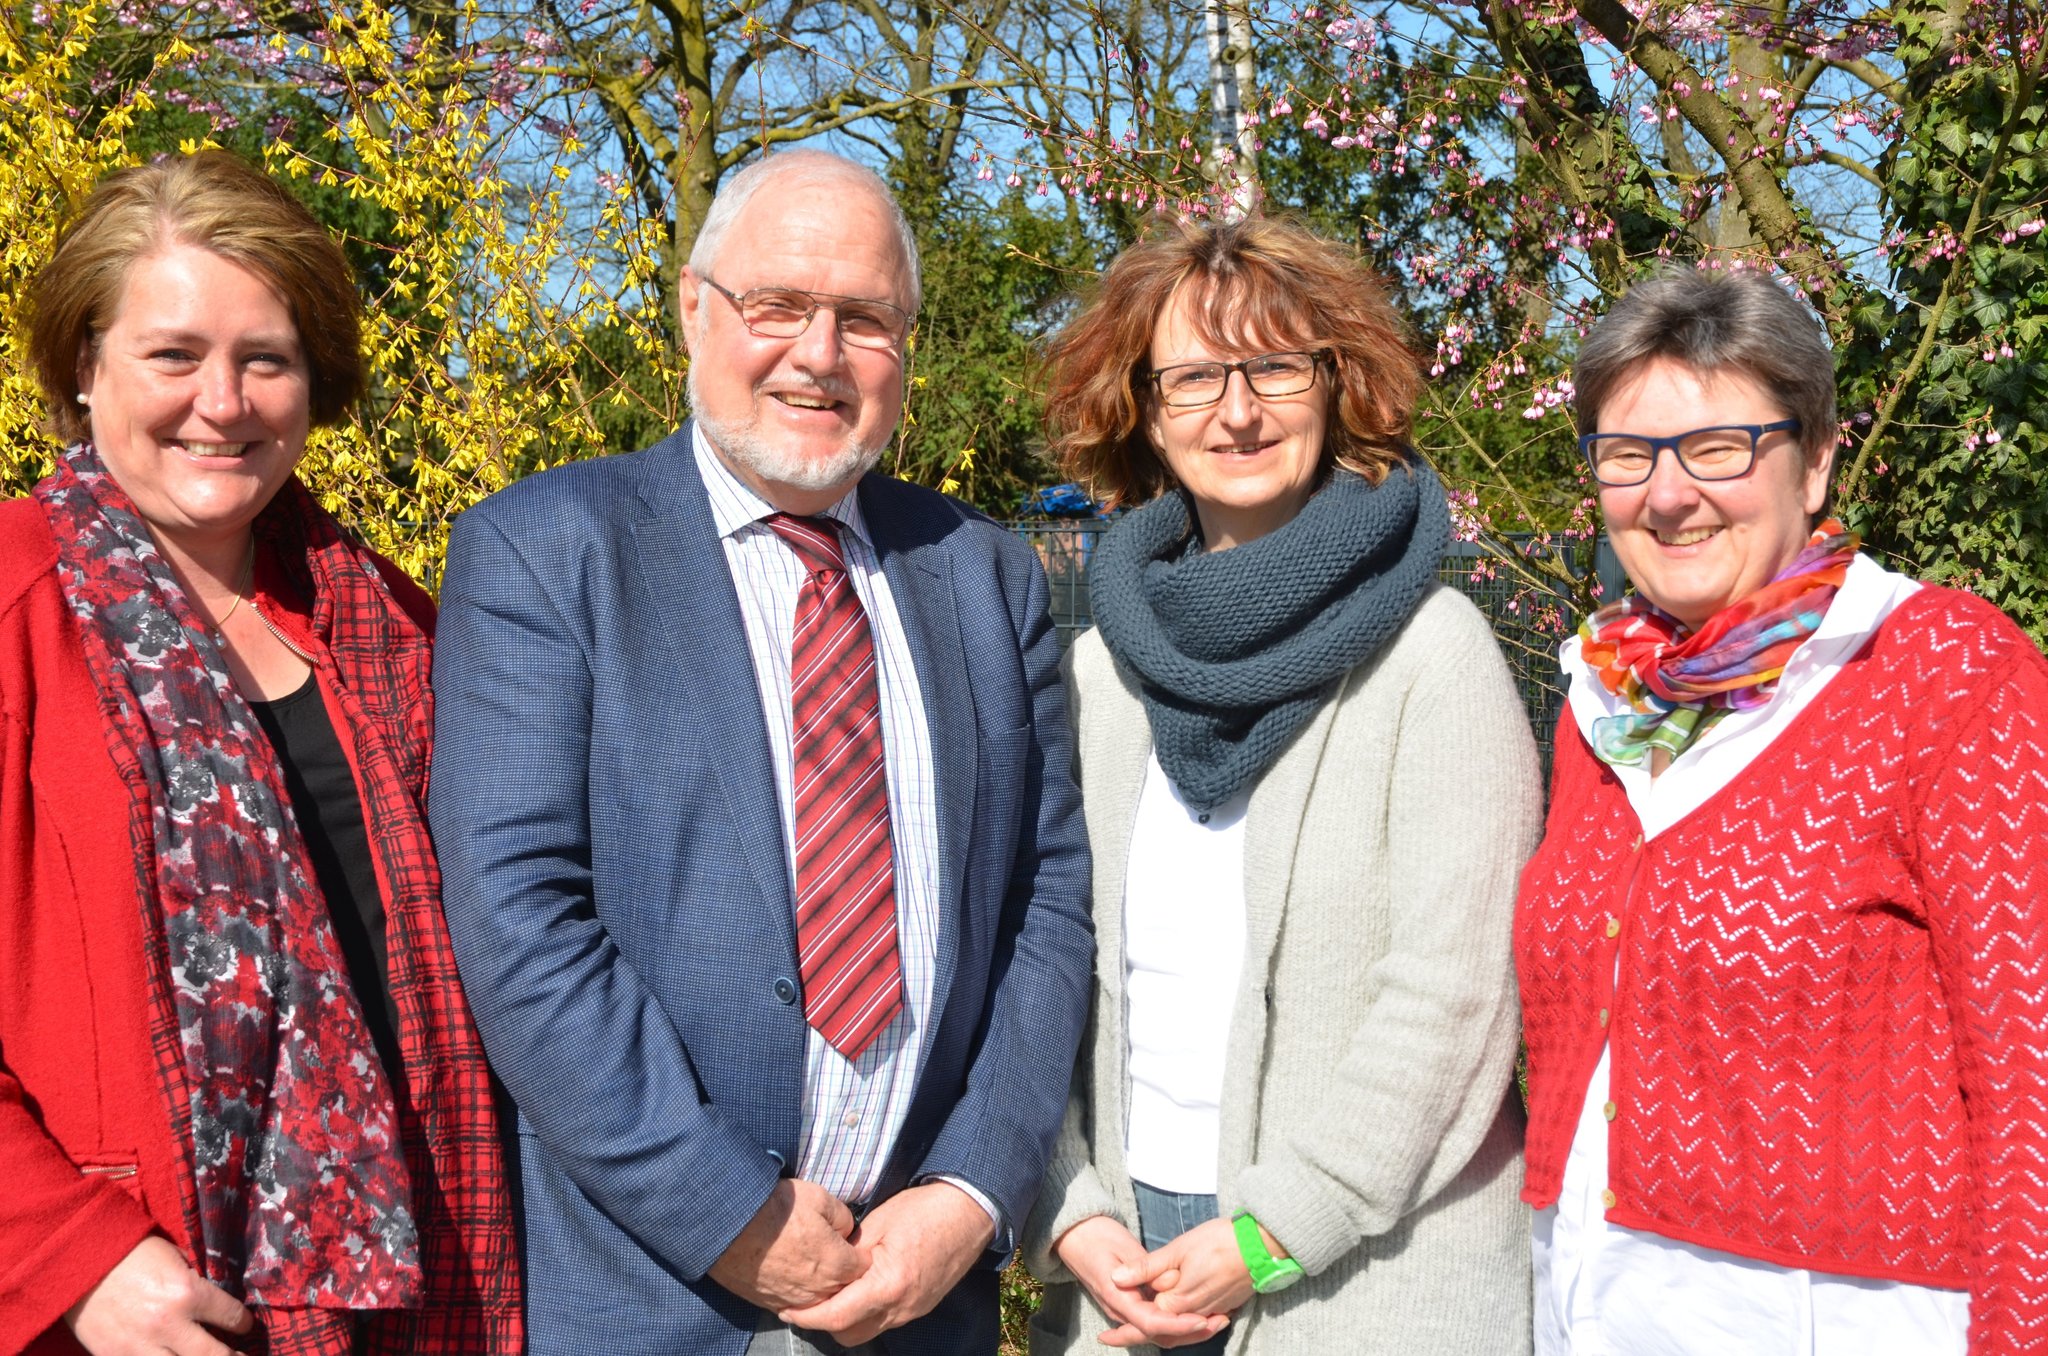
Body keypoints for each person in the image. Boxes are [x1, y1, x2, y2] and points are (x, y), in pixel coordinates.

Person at [427, 149, 1094, 1356]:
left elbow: (1043, 906)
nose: (819, 355)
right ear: (694, 310)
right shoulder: (547, 554)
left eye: (864, 319)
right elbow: (518, 920)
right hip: (648, 1300)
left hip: (915, 1305)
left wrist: (971, 1194)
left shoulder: (983, 575)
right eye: (777, 306)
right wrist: (726, 1212)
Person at [0, 151, 520, 1355]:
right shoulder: (20, 610)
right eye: (173, 355)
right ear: (86, 367)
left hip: (440, 1282)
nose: (222, 403)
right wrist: (66, 1257)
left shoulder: (389, 619)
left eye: (265, 359)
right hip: (142, 1304)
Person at [1021, 214, 1540, 1354]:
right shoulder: (1097, 671)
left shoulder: (1430, 653)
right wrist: (1064, 1206)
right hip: (1123, 1265)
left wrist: (1268, 1233)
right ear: (1145, 411)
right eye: (1195, 377)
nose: (1237, 410)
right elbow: (1037, 954)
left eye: (1271, 368)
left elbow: (1452, 997)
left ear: (1336, 383)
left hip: (1363, 1269)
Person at [1516, 265, 2048, 1354]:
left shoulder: (1937, 671)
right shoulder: (1600, 699)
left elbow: (2027, 1078)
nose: (1666, 495)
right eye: (1627, 457)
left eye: (1718, 448)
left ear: (1812, 462)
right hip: (1590, 1302)